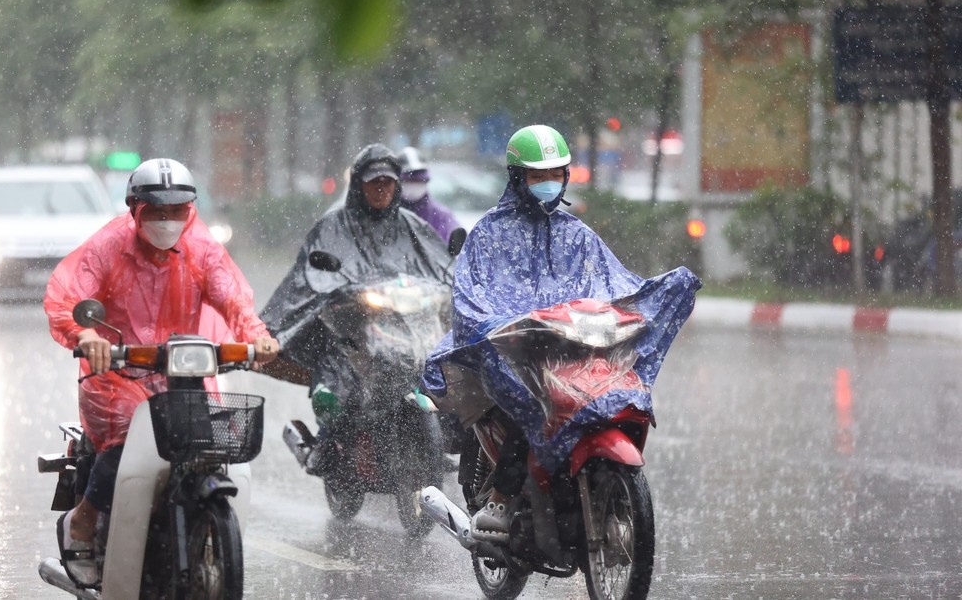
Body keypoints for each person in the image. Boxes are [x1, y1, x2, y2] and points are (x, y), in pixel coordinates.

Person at [422, 125, 700, 542]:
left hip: (567, 347)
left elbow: (614, 285)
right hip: (513, 350)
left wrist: (645, 303)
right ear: (518, 178)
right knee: (533, 404)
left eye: (555, 174)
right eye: (537, 176)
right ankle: (501, 494)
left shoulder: (578, 235)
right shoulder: (488, 235)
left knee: (608, 395)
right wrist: (496, 325)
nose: (547, 183)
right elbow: (470, 298)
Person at [43, 157, 279, 586]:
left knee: (210, 441)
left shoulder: (202, 250)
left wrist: (257, 335)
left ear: (191, 209)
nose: (167, 219)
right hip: (117, 375)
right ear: (135, 209)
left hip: (183, 371)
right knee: (121, 444)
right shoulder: (108, 247)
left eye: (177, 210)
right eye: (157, 210)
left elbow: (234, 300)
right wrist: (87, 335)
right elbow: (66, 297)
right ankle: (83, 520)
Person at [260, 143, 455, 472]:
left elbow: (441, 268)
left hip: (404, 329)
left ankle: (431, 445)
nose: (381, 189)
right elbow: (312, 277)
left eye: (388, 182)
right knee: (338, 377)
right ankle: (326, 441)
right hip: (352, 332)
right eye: (373, 182)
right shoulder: (332, 225)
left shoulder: (412, 226)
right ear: (359, 185)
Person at [396, 146, 463, 243]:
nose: (414, 185)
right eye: (408, 181)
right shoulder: (385, 214)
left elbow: (459, 246)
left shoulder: (441, 216)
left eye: (418, 181)